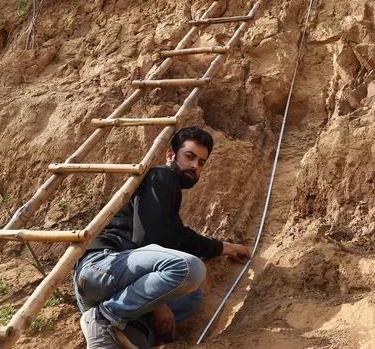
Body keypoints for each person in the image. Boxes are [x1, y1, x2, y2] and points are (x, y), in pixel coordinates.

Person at [74, 126, 251, 348]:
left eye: (201, 162)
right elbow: (145, 239)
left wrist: (227, 247)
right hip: (101, 268)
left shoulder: (165, 205)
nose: (195, 166)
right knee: (190, 269)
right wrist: (159, 305)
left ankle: (130, 330)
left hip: (106, 289)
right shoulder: (162, 176)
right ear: (170, 155)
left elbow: (185, 238)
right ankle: (105, 317)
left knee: (192, 297)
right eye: (189, 157)